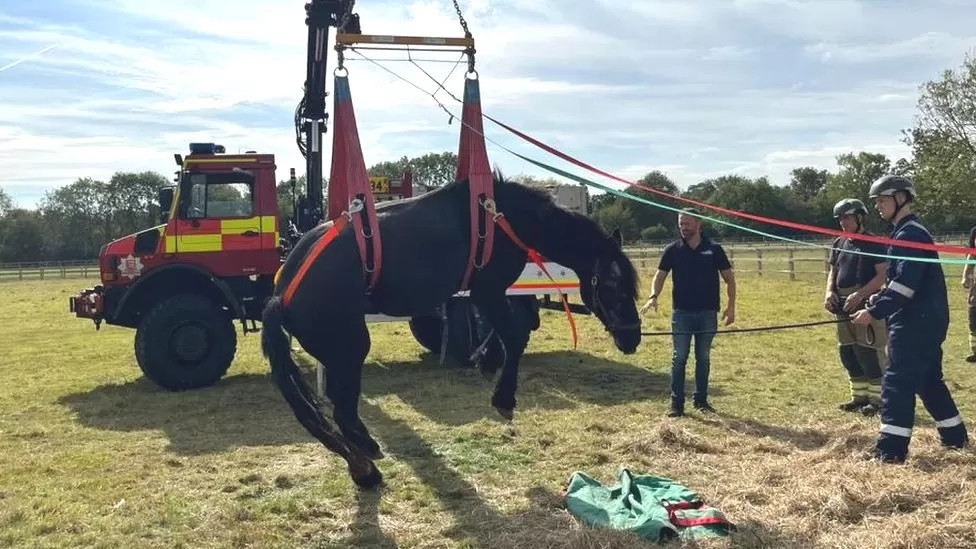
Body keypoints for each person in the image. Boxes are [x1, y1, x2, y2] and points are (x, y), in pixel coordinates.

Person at [851, 174, 969, 463]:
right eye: (876, 201)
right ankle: (955, 438)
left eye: (882, 200)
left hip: (916, 322)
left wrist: (873, 313)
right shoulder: (904, 232)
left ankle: (890, 453)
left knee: (897, 382)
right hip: (924, 319)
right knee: (928, 380)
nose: (878, 206)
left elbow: (905, 287)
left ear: (900, 198)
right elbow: (901, 282)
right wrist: (879, 297)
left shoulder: (909, 234)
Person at [641, 208, 736, 417]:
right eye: (681, 224)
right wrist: (653, 296)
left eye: (687, 223)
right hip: (681, 313)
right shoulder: (672, 250)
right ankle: (677, 404)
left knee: (703, 357)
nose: (683, 228)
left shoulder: (714, 249)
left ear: (698, 224)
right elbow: (660, 275)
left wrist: (731, 306)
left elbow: (729, 279)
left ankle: (701, 400)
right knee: (679, 357)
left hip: (707, 313)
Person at [824, 198, 888, 416]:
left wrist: (861, 294)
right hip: (842, 303)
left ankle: (879, 400)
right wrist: (829, 292)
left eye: (847, 217)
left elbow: (882, 275)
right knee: (849, 352)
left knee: (868, 351)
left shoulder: (873, 243)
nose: (843, 222)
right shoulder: (839, 243)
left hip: (865, 302)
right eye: (840, 218)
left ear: (860, 217)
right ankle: (859, 397)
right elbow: (833, 271)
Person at [962, 224, 976, 363]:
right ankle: (975, 351)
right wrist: (966, 275)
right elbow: (972, 254)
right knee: (974, 316)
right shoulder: (975, 231)